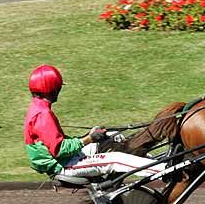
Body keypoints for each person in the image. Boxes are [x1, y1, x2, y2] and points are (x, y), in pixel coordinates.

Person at [23, 64, 165, 179]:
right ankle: (163, 171)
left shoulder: (37, 108)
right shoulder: (43, 114)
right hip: (64, 165)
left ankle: (155, 162)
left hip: (67, 158)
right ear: (53, 89)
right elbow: (59, 149)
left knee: (114, 135)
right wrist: (89, 138)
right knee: (115, 159)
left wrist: (90, 135)